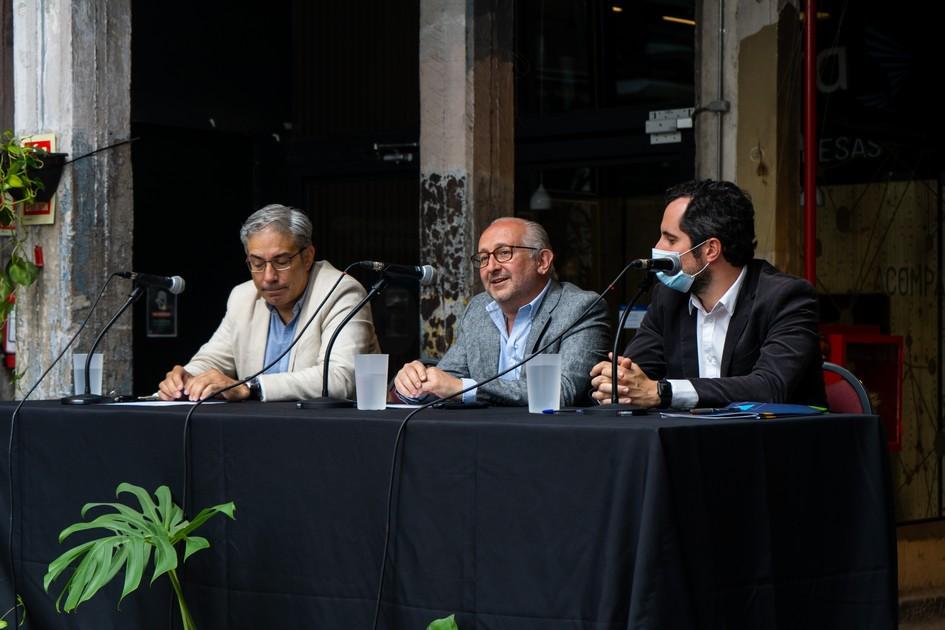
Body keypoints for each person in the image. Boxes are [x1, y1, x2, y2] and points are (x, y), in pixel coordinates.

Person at [590, 180, 826, 409]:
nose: (658, 247)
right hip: (694, 442)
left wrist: (664, 392)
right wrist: (617, 383)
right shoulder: (669, 298)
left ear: (710, 250)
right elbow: (637, 376)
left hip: (775, 443)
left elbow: (770, 387)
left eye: (670, 239)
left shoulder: (787, 297)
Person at [158, 204, 380, 401]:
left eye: (281, 261)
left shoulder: (342, 292)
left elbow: (340, 378)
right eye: (257, 263)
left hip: (326, 432)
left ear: (308, 256)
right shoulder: (242, 297)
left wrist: (249, 386)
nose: (269, 277)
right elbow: (213, 359)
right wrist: (186, 378)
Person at [393, 217, 610, 406]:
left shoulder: (581, 307)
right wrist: (417, 383)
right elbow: (449, 380)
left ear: (542, 261)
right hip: (480, 439)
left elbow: (562, 391)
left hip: (551, 441)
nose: (491, 267)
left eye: (504, 253)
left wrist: (465, 389)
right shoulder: (478, 309)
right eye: (484, 258)